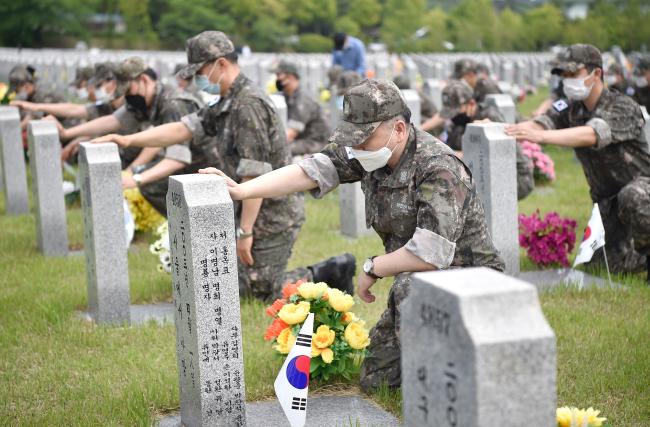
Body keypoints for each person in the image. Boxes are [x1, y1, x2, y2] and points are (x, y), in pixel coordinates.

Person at [197, 79, 505, 390]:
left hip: (471, 280)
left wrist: (374, 267)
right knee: (376, 380)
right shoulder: (371, 153)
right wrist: (241, 190)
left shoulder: (438, 167)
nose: (356, 148)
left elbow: (430, 253)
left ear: (399, 129)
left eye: (364, 138)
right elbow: (308, 171)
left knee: (410, 292)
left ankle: (461, 379)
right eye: (352, 139)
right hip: (418, 279)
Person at [91, 31, 356, 300]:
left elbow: (254, 173)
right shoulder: (227, 101)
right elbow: (183, 128)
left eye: (201, 71)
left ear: (221, 64)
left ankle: (330, 271)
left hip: (273, 211)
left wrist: (245, 232)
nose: (198, 79)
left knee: (257, 290)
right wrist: (126, 139)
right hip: (249, 205)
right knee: (222, 283)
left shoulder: (248, 104)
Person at [505, 44, 650, 279]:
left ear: (596, 74)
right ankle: (638, 255)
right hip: (609, 203)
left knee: (632, 196)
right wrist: (501, 129)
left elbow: (591, 134)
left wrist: (542, 137)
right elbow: (541, 122)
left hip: (642, 192)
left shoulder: (623, 106)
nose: (567, 81)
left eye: (574, 74)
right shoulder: (568, 106)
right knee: (600, 267)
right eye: (564, 75)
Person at [70, 56, 204, 215]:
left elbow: (177, 158)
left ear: (144, 80)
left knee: (151, 184)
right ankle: (183, 230)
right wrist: (67, 134)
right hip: (188, 165)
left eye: (128, 90)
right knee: (150, 183)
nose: (128, 97)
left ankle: (189, 226)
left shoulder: (172, 104)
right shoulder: (145, 100)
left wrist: (135, 178)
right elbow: (113, 121)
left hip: (205, 165)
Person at [439, 81, 534, 200]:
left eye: (456, 111)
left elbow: (497, 158)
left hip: (515, 176)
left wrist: (459, 155)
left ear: (471, 103)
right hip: (480, 174)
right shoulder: (457, 123)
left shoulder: (488, 118)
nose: (453, 116)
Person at [11, 62, 123, 123]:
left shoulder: (128, 106)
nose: (87, 90)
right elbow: (74, 109)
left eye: (98, 86)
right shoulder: (103, 104)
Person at [274, 60, 330, 156]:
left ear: (289, 76)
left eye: (279, 75)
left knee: (279, 150)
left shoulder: (303, 99)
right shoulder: (287, 96)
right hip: (302, 140)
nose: (277, 78)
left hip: (315, 143)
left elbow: (289, 135)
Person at [8, 64, 65, 129]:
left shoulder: (41, 94)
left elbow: (33, 117)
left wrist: (14, 130)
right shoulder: (32, 94)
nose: (16, 93)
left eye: (17, 90)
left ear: (26, 86)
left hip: (67, 128)